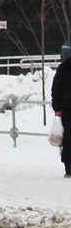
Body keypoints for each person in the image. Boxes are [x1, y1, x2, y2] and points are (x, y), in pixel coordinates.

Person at [50, 44, 71, 178]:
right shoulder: (65, 68)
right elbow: (56, 89)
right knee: (68, 138)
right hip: (68, 109)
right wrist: (57, 108)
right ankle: (68, 166)